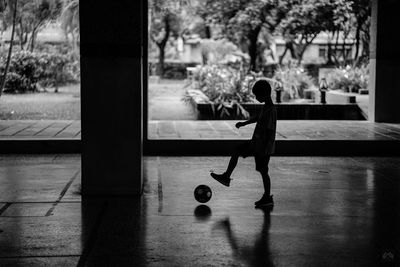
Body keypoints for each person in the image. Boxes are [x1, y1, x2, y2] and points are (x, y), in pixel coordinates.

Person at [211, 79, 277, 207]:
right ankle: (226, 176)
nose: (256, 98)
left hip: (263, 148)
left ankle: (267, 197)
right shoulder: (266, 107)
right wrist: (244, 123)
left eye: (258, 96)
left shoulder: (271, 110)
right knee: (237, 150)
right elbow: (258, 118)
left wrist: (266, 149)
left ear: (265, 94)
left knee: (263, 171)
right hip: (256, 144)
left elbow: (270, 131)